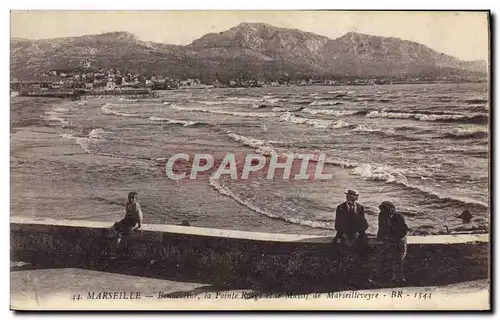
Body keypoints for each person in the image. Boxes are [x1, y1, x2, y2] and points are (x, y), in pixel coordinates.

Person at [334, 189, 371, 286]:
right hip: (344, 233)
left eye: (355, 196)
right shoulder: (340, 207)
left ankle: (362, 278)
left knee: (363, 251)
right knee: (341, 252)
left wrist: (359, 233)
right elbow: (338, 224)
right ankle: (343, 278)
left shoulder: (360, 207)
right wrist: (344, 234)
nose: (351, 197)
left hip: (357, 234)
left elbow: (363, 222)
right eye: (349, 195)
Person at [377, 201, 408, 283]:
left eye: (385, 209)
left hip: (399, 240)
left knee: (399, 259)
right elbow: (381, 229)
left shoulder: (399, 217)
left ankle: (400, 277)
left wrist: (393, 237)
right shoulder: (382, 216)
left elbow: (403, 232)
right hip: (389, 240)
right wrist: (382, 236)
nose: (382, 211)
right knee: (387, 257)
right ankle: (390, 277)